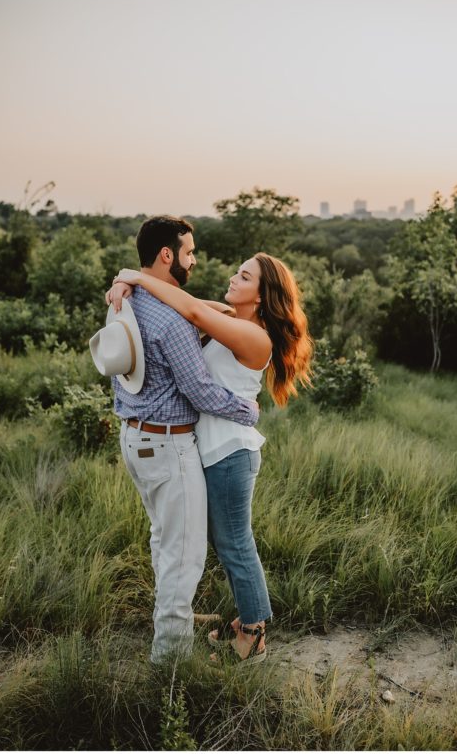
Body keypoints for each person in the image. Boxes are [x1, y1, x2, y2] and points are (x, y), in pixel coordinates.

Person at [108, 250, 313, 664]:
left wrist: (137, 275)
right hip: (215, 449)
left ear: (261, 295)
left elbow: (193, 314)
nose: (233, 279)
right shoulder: (233, 319)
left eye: (245, 277)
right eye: (237, 272)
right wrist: (124, 283)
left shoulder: (255, 337)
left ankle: (254, 634)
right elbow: (184, 304)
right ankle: (235, 620)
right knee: (221, 541)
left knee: (235, 543)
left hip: (230, 452)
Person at [107, 215, 260, 666]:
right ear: (168, 255)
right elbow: (201, 390)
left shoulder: (125, 301)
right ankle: (169, 666)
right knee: (185, 556)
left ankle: (171, 614)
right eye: (189, 252)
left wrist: (127, 277)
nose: (194, 260)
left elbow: (189, 306)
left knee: (164, 539)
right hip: (168, 447)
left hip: (134, 440)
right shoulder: (171, 320)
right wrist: (247, 410)